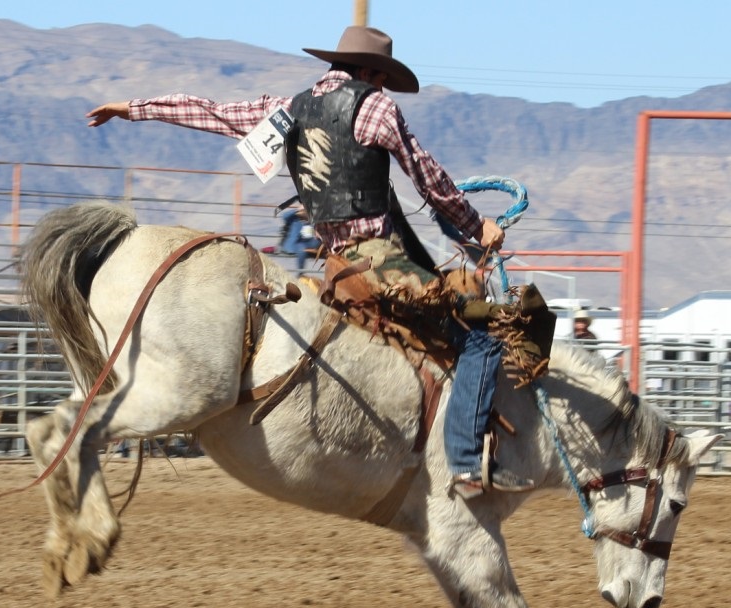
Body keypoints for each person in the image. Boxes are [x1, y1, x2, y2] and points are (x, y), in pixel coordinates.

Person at [86, 25, 533, 499]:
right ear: (371, 72)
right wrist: (477, 225)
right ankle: (465, 461)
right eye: (381, 79)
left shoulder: (288, 110)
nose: (382, 88)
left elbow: (212, 112)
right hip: (380, 262)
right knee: (480, 337)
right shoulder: (377, 108)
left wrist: (132, 108)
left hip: (336, 268)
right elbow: (429, 178)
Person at [279, 205, 321, 271]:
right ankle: (300, 271)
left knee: (313, 243)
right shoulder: (294, 219)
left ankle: (301, 270)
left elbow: (310, 235)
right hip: (294, 244)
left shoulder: (312, 221)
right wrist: (297, 210)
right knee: (301, 248)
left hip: (308, 242)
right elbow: (284, 216)